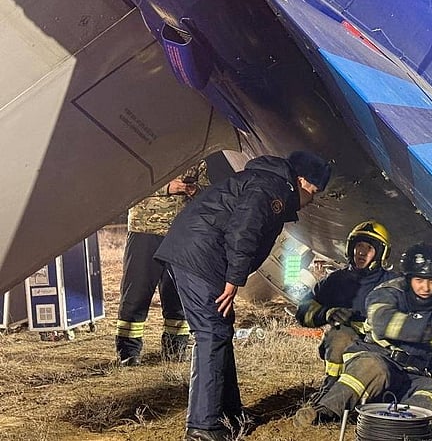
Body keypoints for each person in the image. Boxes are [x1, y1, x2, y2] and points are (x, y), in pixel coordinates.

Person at [155, 151, 331, 441]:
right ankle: (202, 427)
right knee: (211, 334)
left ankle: (230, 415)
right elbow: (243, 231)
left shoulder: (265, 183)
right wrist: (233, 280)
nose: (313, 199)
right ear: (301, 181)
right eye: (314, 190)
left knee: (220, 331)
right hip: (200, 257)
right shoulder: (271, 189)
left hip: (199, 253)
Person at [294, 243, 432, 426]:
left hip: (412, 375)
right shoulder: (388, 291)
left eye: (431, 281)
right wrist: (428, 334)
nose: (425, 287)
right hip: (379, 358)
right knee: (371, 366)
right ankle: (323, 411)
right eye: (419, 280)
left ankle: (397, 423)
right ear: (408, 278)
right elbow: (382, 322)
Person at [116, 160, 209, 366]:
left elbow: (207, 190)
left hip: (180, 234)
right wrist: (167, 188)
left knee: (177, 294)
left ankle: (175, 350)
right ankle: (128, 352)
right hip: (144, 230)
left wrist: (195, 190)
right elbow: (129, 184)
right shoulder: (146, 154)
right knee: (136, 291)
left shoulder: (197, 158)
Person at [295, 220, 397, 395]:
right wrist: (326, 314)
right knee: (339, 336)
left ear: (381, 254)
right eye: (359, 246)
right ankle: (331, 386)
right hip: (345, 347)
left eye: (369, 248)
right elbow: (303, 310)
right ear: (351, 248)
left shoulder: (394, 284)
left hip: (382, 350)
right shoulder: (336, 281)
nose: (362, 252)